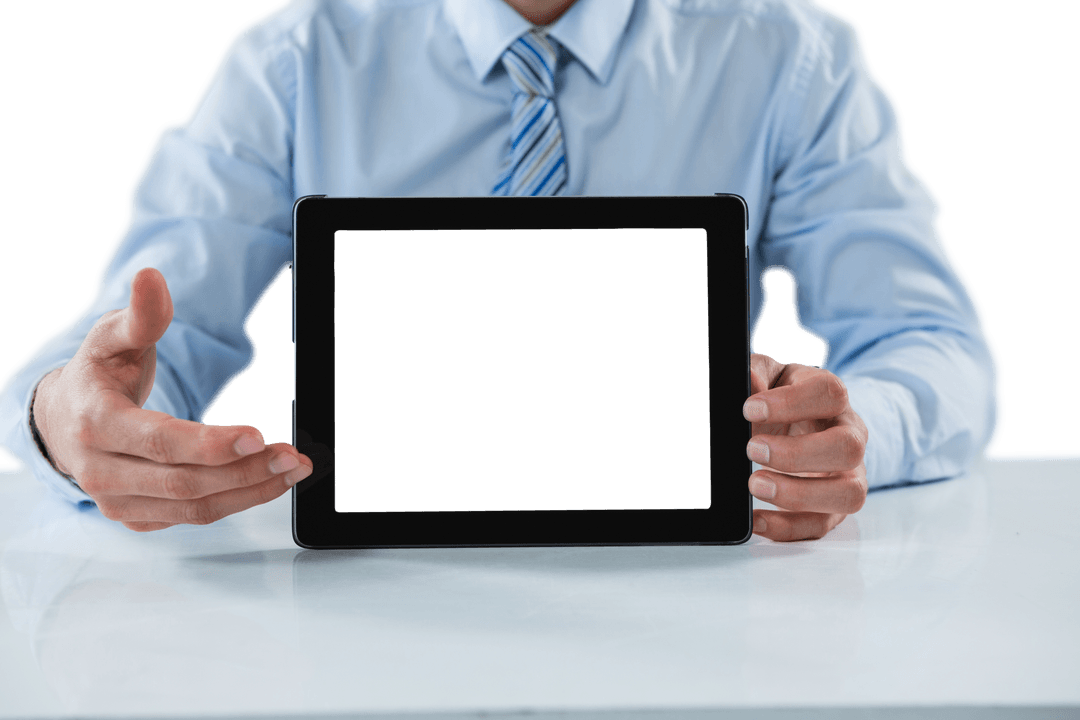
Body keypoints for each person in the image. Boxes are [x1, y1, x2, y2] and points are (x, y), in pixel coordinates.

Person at [0, 0, 1005, 541]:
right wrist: (69, 418)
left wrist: (856, 426)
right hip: (364, 618)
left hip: (705, 611)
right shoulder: (290, 57)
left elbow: (940, 351)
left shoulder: (797, 54)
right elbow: (131, 341)